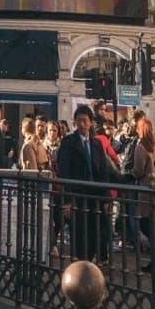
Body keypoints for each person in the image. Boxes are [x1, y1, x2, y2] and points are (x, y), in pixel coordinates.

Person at [57, 105, 108, 261]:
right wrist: (66, 200)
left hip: (95, 194)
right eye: (79, 121)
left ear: (91, 122)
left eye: (85, 121)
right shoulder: (68, 142)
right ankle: (79, 262)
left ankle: (91, 259)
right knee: (78, 231)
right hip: (77, 194)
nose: (82, 124)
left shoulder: (96, 144)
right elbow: (64, 171)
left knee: (96, 230)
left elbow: (103, 171)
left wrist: (106, 198)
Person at [131, 117, 155, 265]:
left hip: (146, 187)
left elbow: (138, 170)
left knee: (144, 222)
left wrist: (130, 173)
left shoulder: (141, 147)